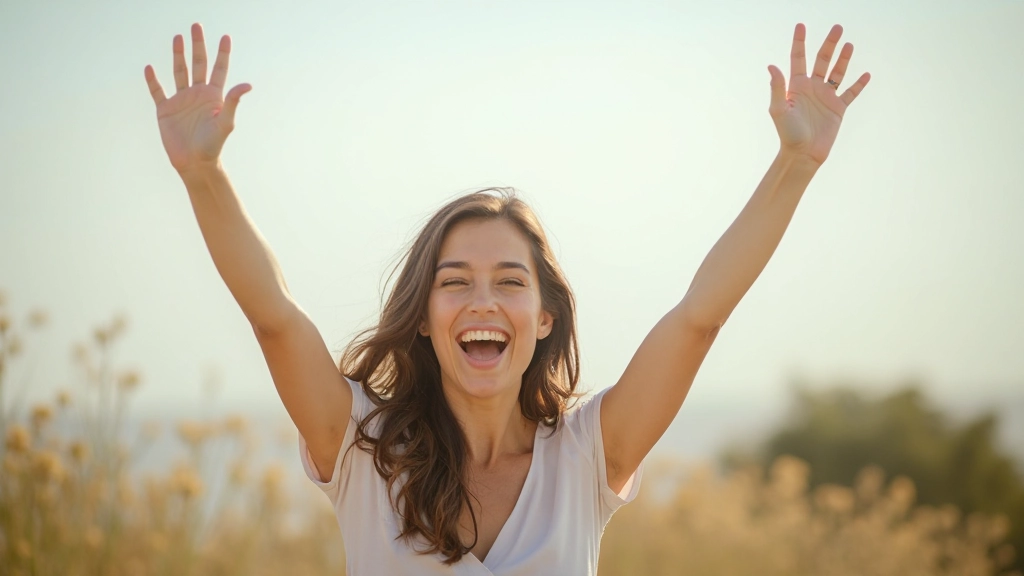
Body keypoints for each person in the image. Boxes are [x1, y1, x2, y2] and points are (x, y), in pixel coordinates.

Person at [143, 21, 870, 575]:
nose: (482, 300)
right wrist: (203, 176)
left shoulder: (589, 455)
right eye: (453, 282)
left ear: (544, 317)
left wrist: (795, 164)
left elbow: (698, 319)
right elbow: (274, 319)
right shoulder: (365, 449)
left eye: (510, 282)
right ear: (424, 321)